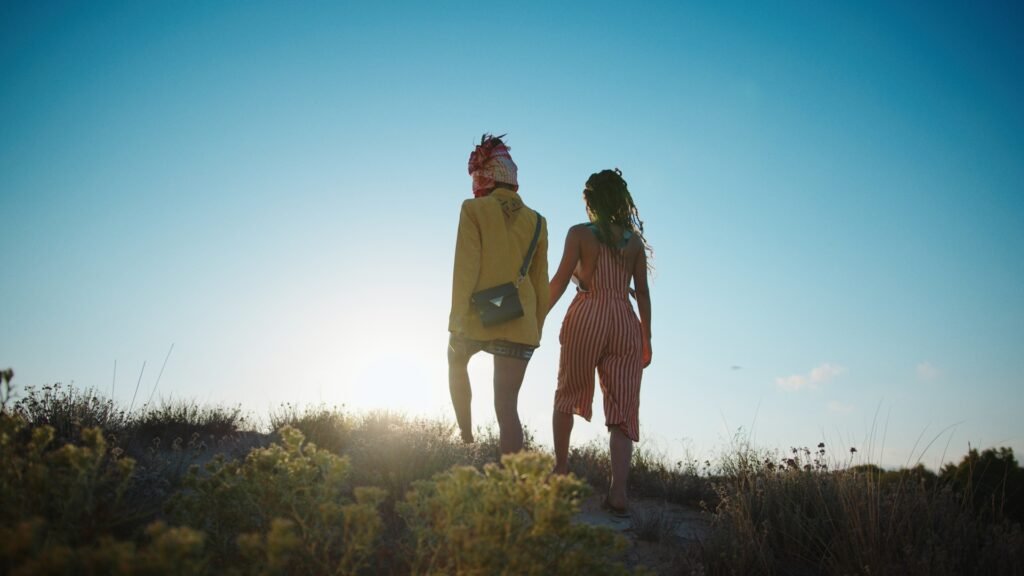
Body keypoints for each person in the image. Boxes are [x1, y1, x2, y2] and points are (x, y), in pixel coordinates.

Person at [549, 168, 652, 515]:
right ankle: (618, 493)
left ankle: (561, 472)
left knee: (567, 394)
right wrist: (647, 338)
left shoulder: (580, 233)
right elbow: (643, 293)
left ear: (591, 202)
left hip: (588, 313)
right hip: (625, 320)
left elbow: (560, 280)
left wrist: (537, 316)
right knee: (623, 410)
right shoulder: (633, 242)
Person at [448, 134, 549, 455]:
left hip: (480, 314)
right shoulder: (538, 222)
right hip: (521, 318)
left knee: (455, 360)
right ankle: (512, 478)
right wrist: (536, 328)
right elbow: (541, 282)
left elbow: (466, 268)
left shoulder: (473, 209)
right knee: (507, 407)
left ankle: (466, 437)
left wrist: (456, 319)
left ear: (484, 176)